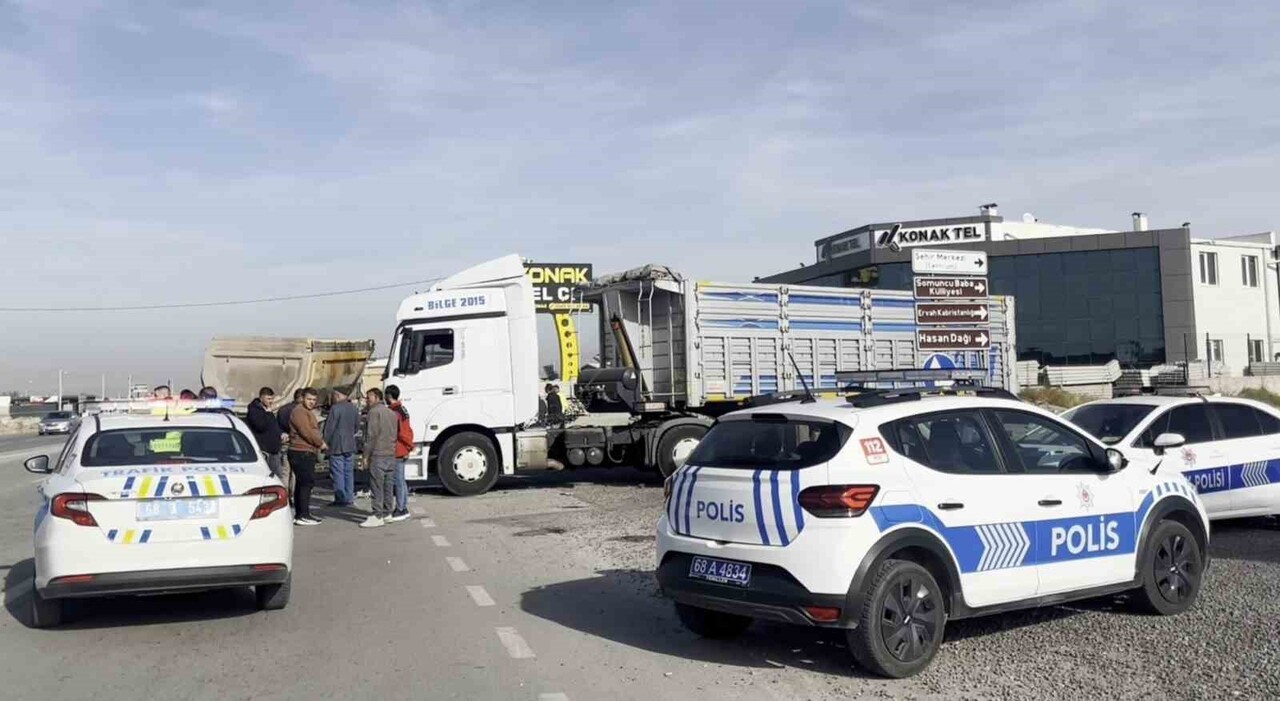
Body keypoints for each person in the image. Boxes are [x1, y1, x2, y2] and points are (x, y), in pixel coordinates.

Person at [287, 388, 327, 526]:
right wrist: (320, 443)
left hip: (305, 451)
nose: (311, 402)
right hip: (301, 451)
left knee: (303, 483)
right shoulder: (299, 412)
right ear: (302, 398)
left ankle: (302, 513)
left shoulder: (306, 412)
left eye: (314, 400)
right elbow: (306, 431)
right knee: (306, 483)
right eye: (309, 399)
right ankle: (303, 514)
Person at [360, 388, 398, 528]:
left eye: (369, 397)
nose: (366, 400)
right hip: (390, 453)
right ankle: (388, 512)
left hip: (378, 454)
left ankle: (377, 515)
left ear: (376, 397)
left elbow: (371, 436)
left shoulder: (374, 412)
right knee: (388, 485)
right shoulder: (391, 413)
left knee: (376, 486)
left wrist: (365, 456)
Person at [323, 387, 358, 507]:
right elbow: (357, 427)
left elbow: (329, 428)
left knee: (338, 472)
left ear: (337, 396)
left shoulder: (335, 408)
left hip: (337, 445)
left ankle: (340, 498)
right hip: (350, 444)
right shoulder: (354, 408)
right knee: (349, 472)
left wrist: (325, 442)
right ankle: (349, 498)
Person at [385, 384, 413, 522]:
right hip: (403, 448)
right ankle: (403, 507)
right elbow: (408, 430)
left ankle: (400, 508)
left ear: (388, 396)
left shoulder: (394, 412)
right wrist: (409, 447)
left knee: (398, 481)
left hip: (397, 449)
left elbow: (400, 432)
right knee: (401, 480)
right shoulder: (402, 409)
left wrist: (408, 445)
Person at [246, 387, 284, 481]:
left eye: (272, 399)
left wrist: (281, 434)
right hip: (265, 450)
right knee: (268, 477)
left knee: (277, 476)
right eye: (268, 399)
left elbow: (273, 426)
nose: (271, 401)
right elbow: (260, 426)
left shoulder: (268, 410)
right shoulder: (254, 411)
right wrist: (267, 414)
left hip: (274, 450)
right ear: (261, 398)